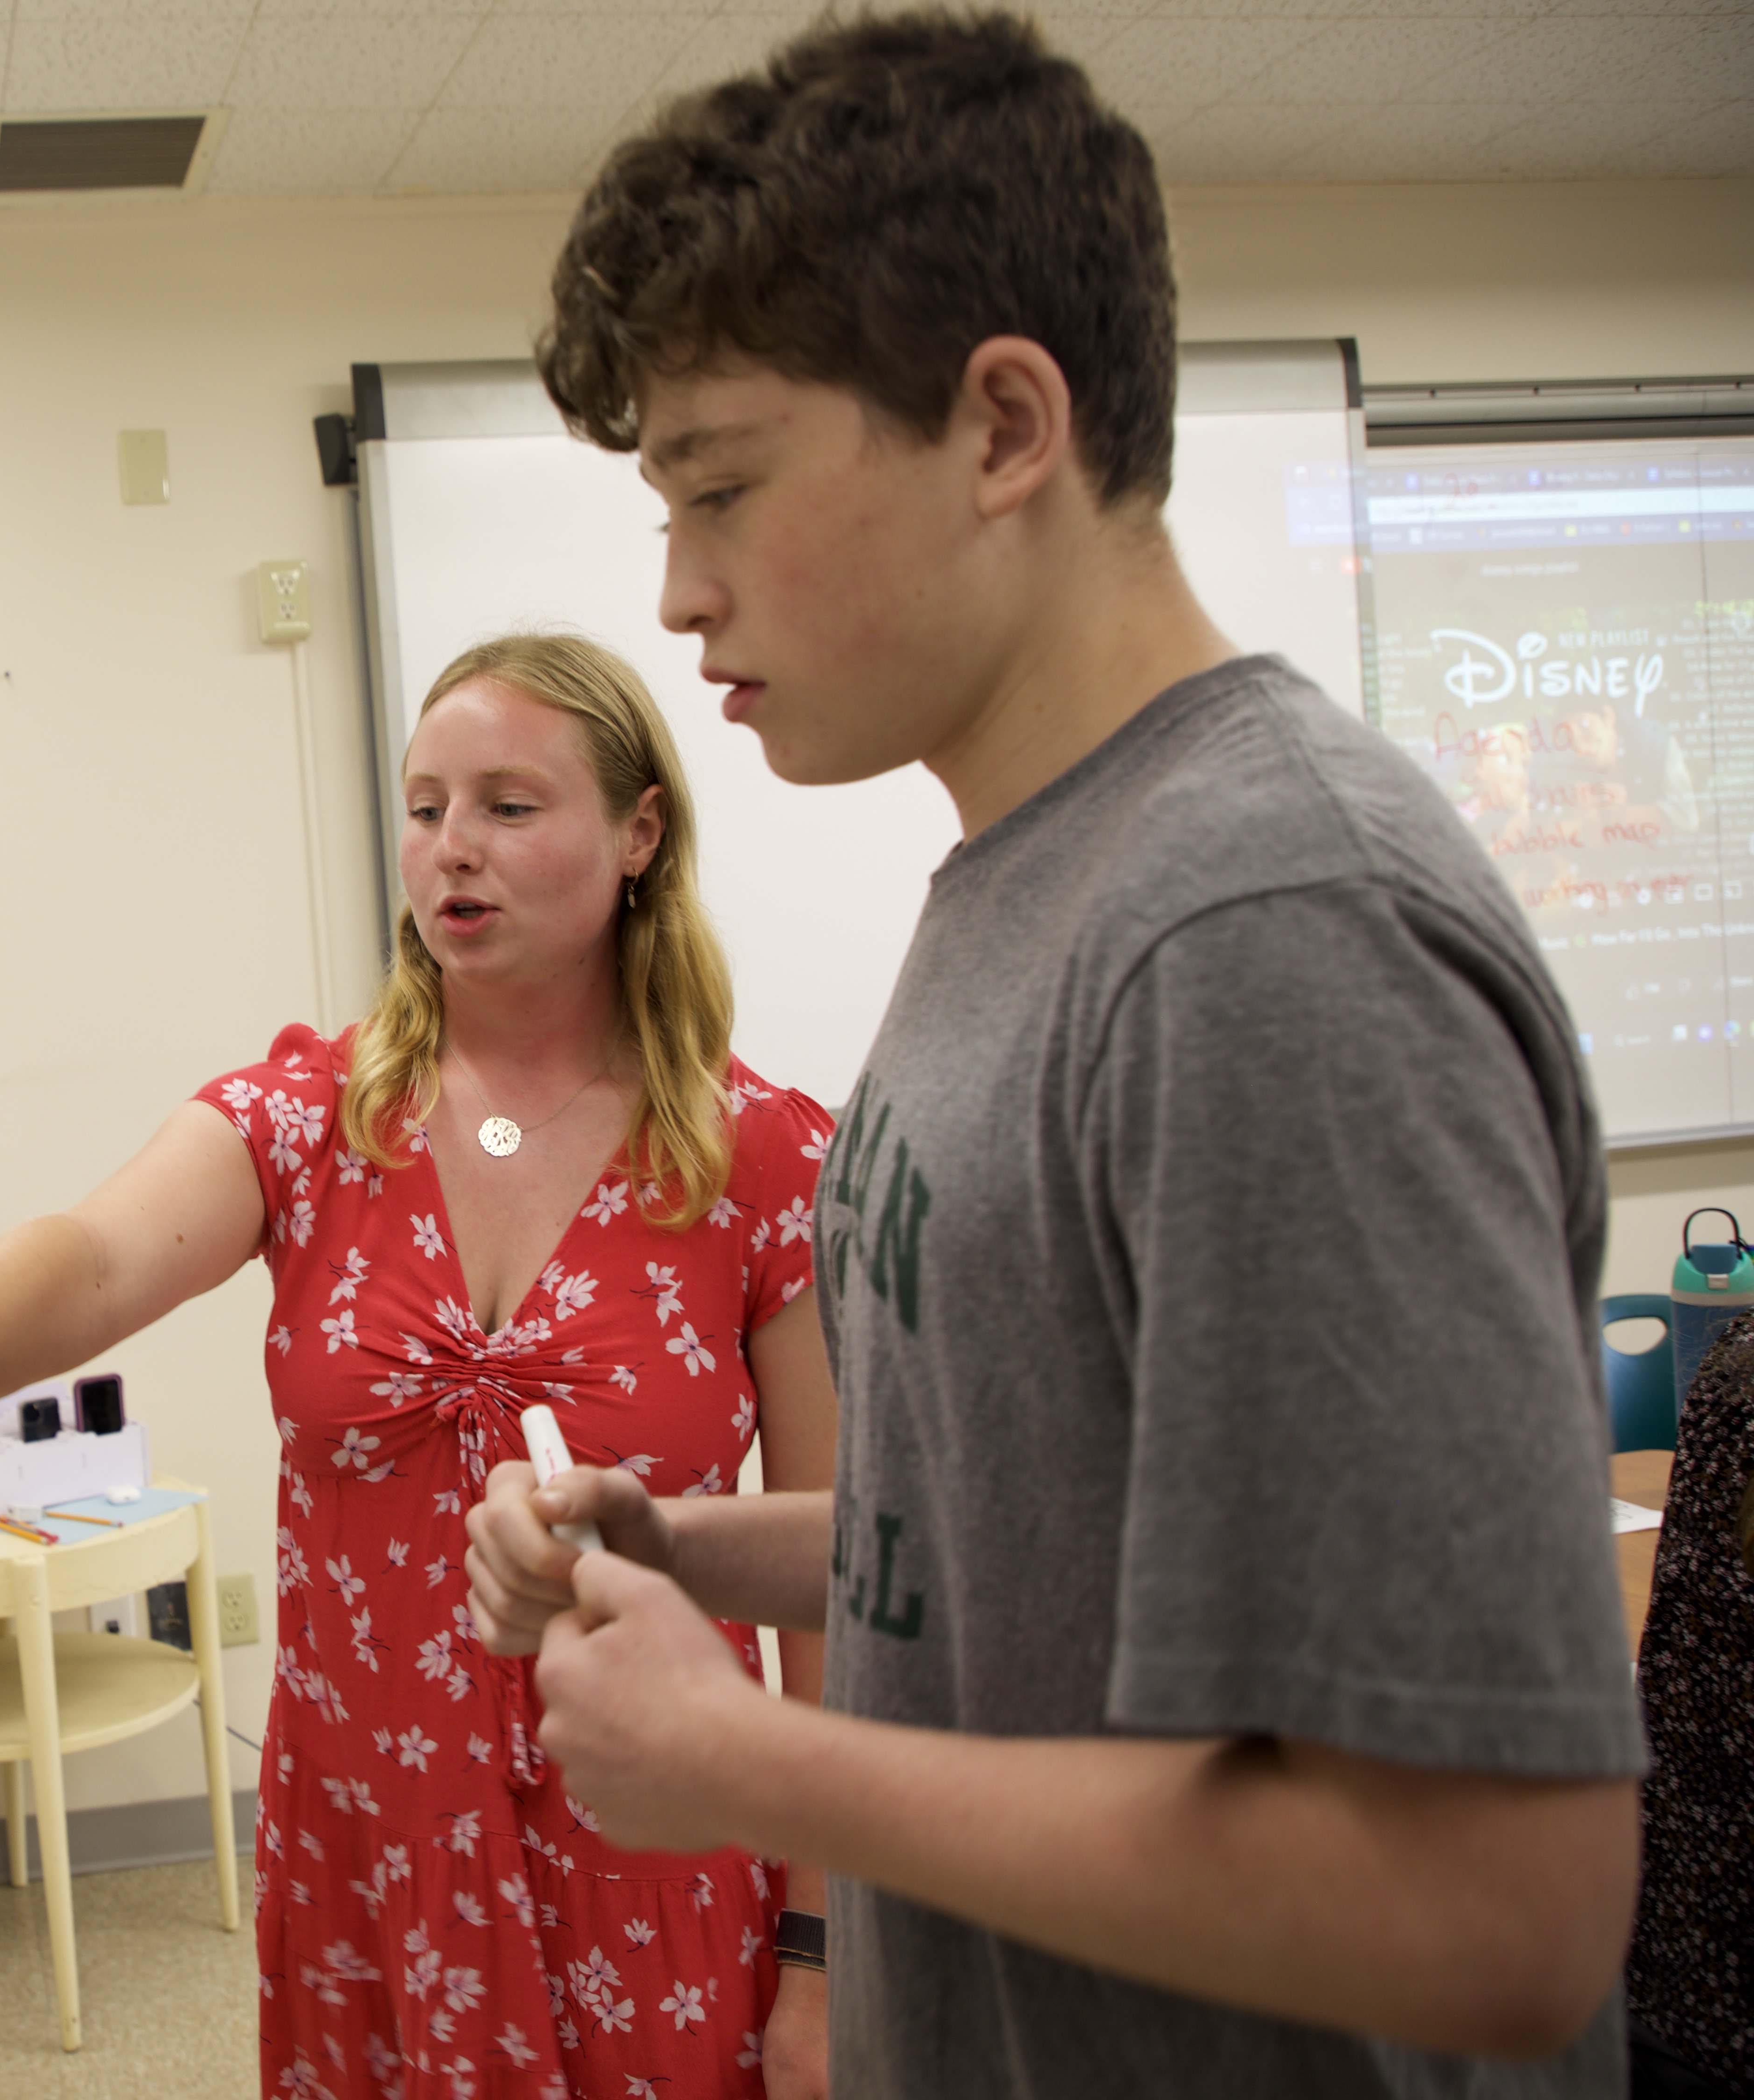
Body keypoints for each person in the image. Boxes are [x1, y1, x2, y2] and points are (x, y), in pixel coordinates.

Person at [460, 14, 1645, 2100]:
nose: (677, 588)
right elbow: (1042, 1530)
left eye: (723, 486)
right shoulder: (1026, 878)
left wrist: (759, 1763)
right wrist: (691, 1544)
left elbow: (1496, 1900)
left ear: (1007, 424)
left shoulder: (1266, 932)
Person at [0, 631, 842, 2098]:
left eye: (509, 808)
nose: (451, 849)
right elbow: (88, 1258)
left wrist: (823, 1958)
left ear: (640, 830)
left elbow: (831, 1597)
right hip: (373, 1866)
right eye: (424, 806)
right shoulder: (310, 1122)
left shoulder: (762, 1163)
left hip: (651, 1854)